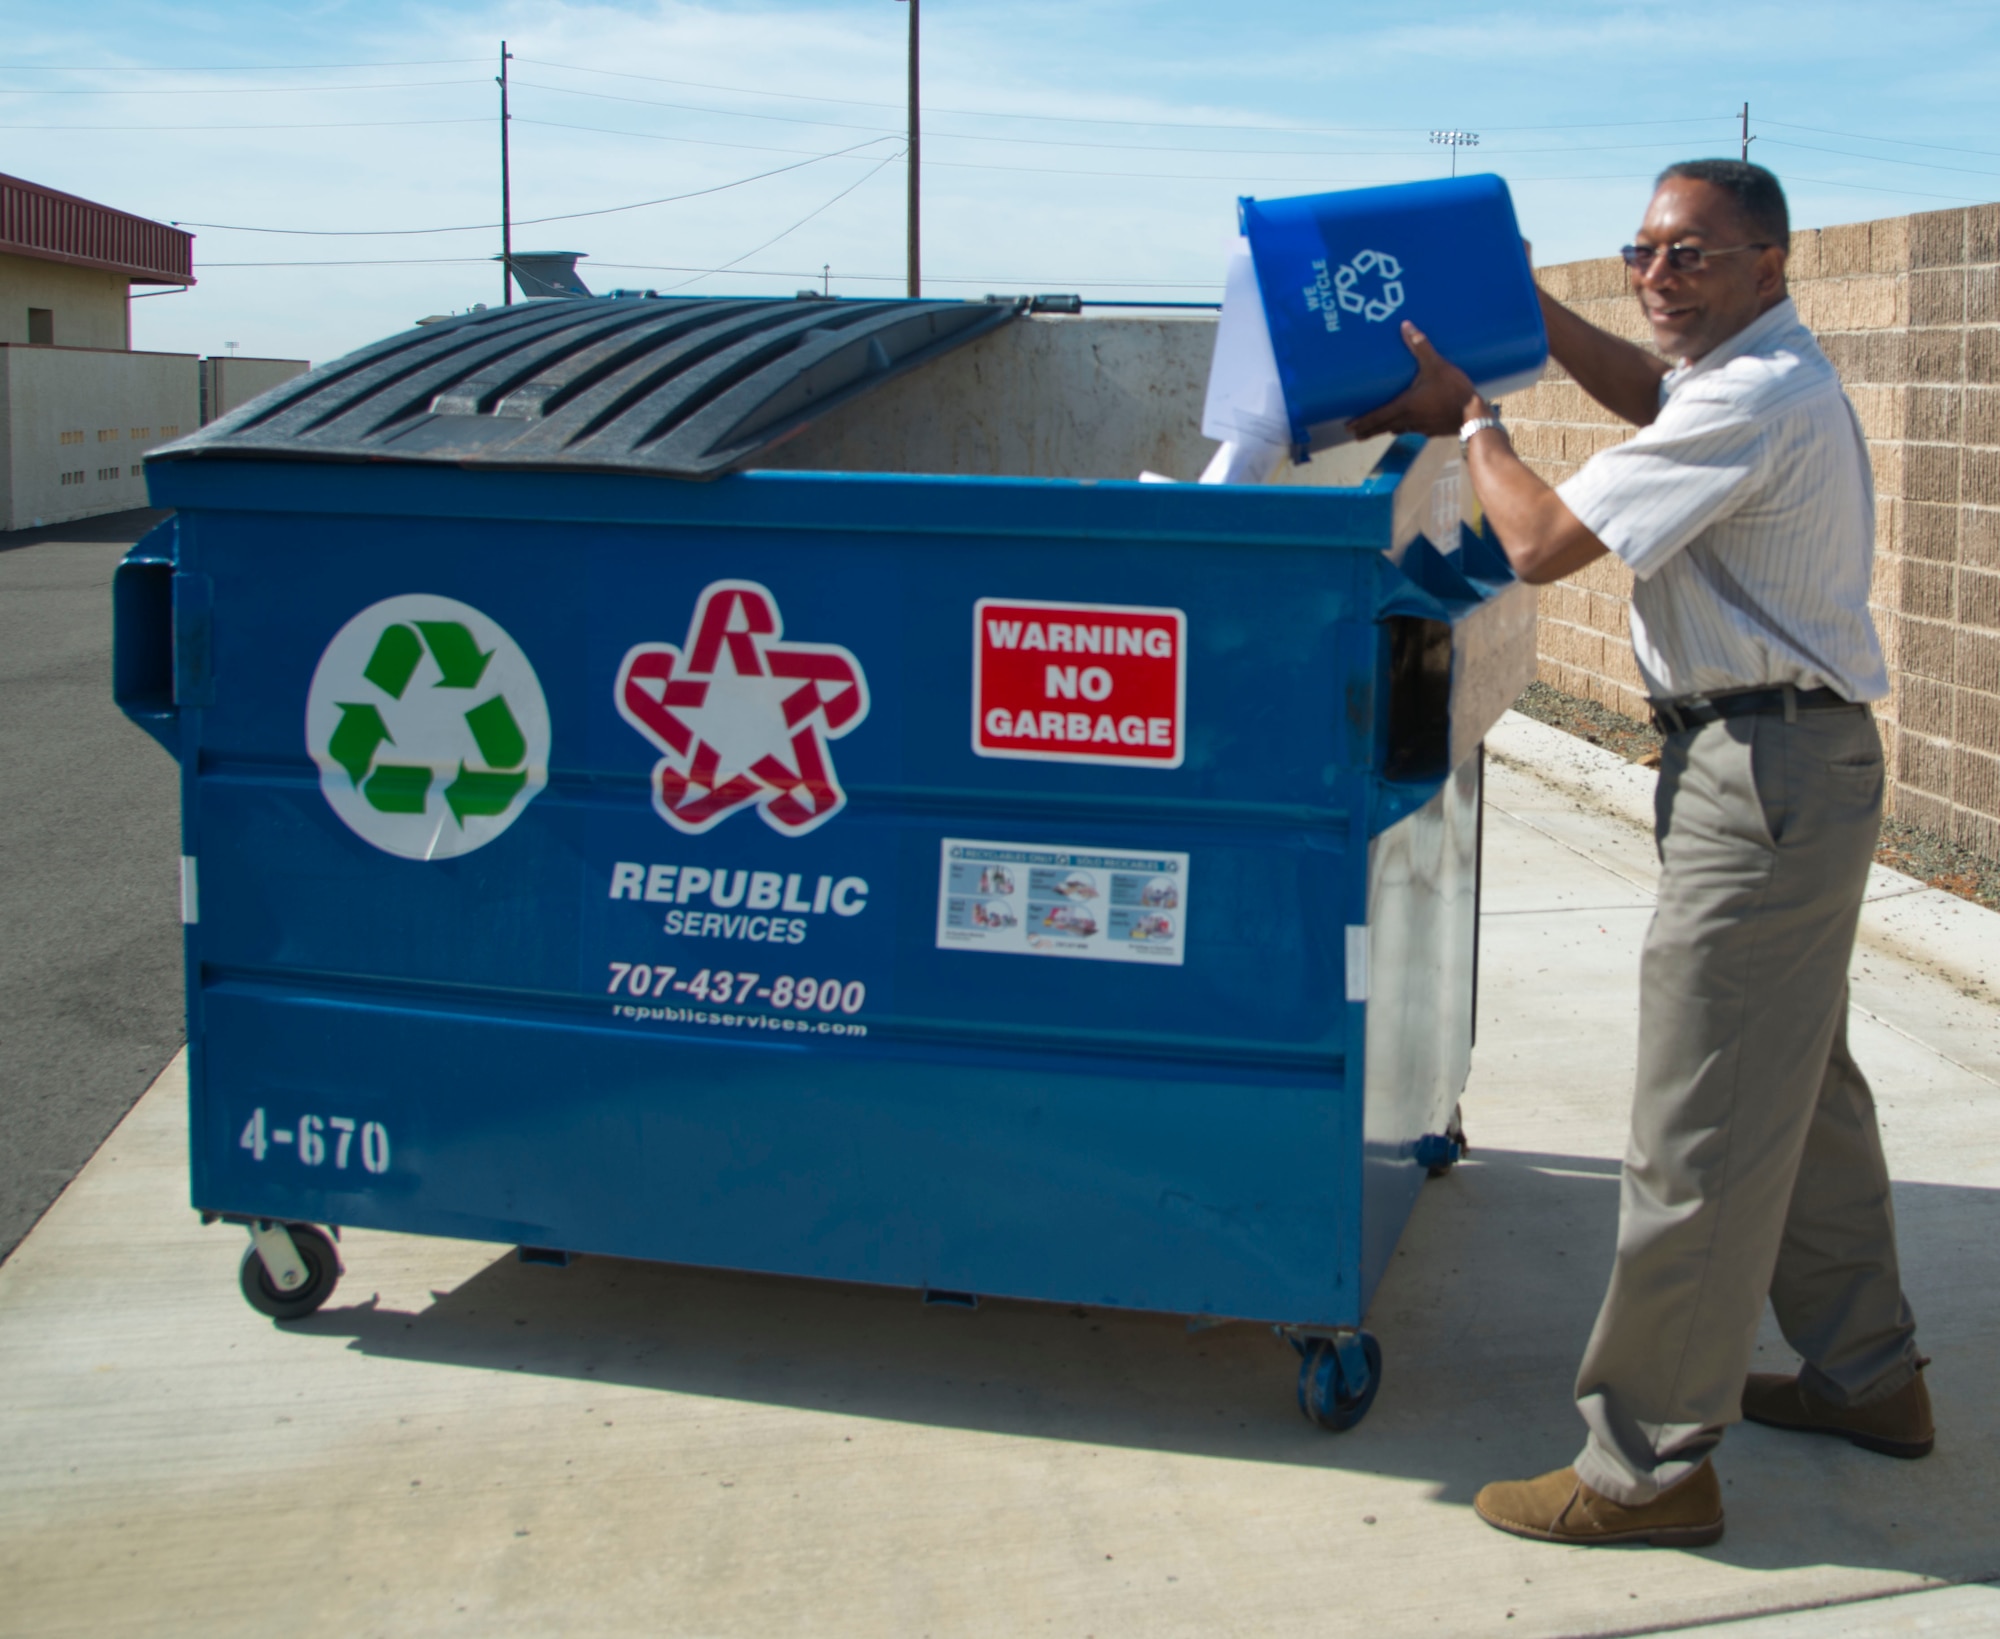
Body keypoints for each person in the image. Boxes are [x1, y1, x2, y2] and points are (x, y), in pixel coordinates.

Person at [1350, 159, 1931, 1549]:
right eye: (1644, 253)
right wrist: (1542, 316)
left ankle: (1648, 1470)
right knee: (1809, 1093)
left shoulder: (1752, 395)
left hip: (1763, 779)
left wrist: (1472, 420)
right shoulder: (1752, 374)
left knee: (1703, 1126)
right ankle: (1869, 1378)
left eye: (1693, 257)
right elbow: (1649, 397)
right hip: (1796, 764)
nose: (1658, 278)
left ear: (1772, 262)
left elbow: (1543, 540)